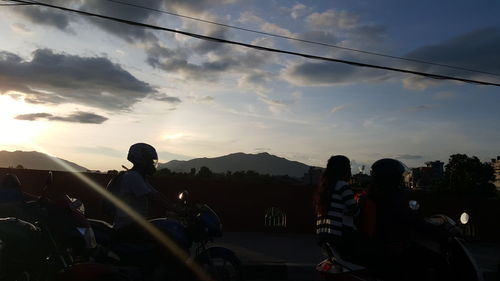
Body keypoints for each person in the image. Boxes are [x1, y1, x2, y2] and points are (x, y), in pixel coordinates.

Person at [107, 143, 178, 241]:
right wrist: (177, 210)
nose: (152, 164)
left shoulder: (140, 178)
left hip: (136, 226)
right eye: (150, 161)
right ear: (141, 160)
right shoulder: (132, 177)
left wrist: (174, 207)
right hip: (128, 229)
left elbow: (157, 194)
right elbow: (154, 198)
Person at [314, 155, 360, 262]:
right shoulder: (343, 185)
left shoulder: (325, 187)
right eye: (348, 167)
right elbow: (356, 211)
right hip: (341, 235)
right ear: (344, 170)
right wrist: (362, 201)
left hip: (324, 235)